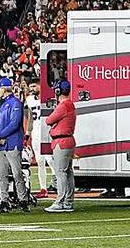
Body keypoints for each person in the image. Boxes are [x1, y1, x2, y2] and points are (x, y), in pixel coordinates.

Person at [0, 78, 29, 212]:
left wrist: (0, 135)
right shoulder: (6, 104)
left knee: (17, 173)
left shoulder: (15, 103)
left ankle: (23, 199)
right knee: (2, 174)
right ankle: (4, 200)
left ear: (4, 88)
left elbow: (14, 123)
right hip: (3, 144)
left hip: (12, 142)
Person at [45, 79, 76, 213]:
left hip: (61, 142)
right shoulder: (70, 105)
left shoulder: (63, 106)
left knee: (61, 173)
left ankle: (60, 201)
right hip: (68, 141)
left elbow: (49, 120)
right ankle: (68, 201)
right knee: (68, 172)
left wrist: (54, 126)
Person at [25, 83, 50, 198]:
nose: (32, 88)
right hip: (36, 131)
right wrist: (27, 134)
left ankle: (60, 186)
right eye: (31, 86)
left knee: (51, 160)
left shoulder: (48, 98)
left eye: (34, 86)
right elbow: (30, 118)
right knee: (39, 161)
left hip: (48, 130)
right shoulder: (30, 99)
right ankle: (43, 188)